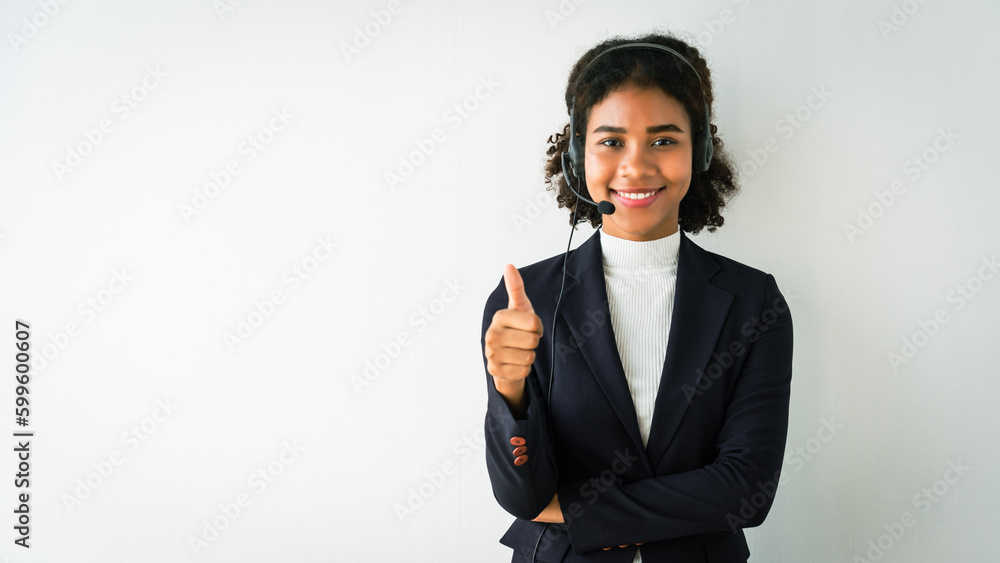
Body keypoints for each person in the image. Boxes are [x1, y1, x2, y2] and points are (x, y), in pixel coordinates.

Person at [480, 32, 794, 562]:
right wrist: (511, 393)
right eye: (611, 141)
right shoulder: (525, 300)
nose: (637, 165)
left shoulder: (753, 300)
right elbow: (524, 497)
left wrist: (580, 513)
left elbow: (746, 490)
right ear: (579, 156)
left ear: (702, 150)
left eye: (664, 140)